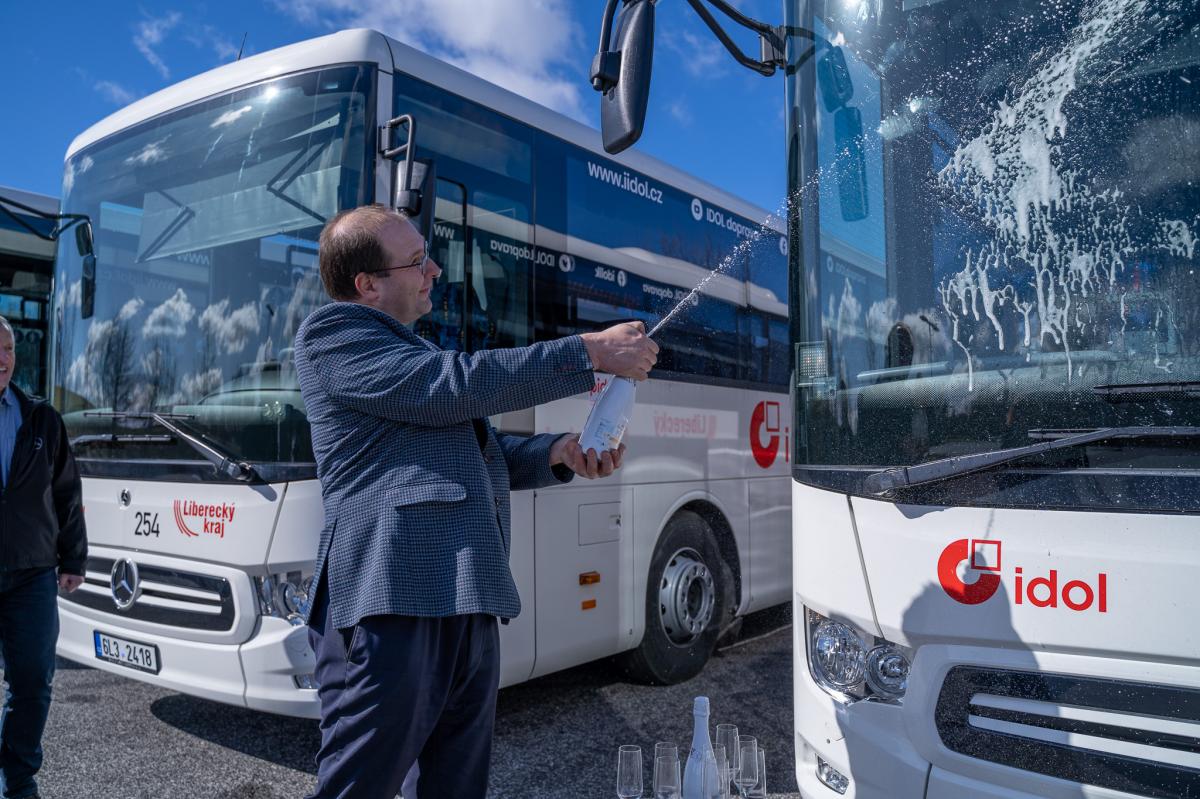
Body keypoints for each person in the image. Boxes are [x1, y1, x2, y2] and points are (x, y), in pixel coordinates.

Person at [295, 204, 659, 799]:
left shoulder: (410, 354)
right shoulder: (335, 334)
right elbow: (451, 387)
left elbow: (479, 453)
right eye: (417, 261)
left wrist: (560, 451)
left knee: (456, 787)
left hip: (463, 598)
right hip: (394, 599)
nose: (435, 270)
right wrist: (587, 352)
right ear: (367, 285)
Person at [0, 316, 86, 799]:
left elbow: (67, 493)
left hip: (32, 572)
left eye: (8, 349)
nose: (3, 359)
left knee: (32, 682)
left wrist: (72, 558)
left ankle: (18, 778)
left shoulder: (41, 418)